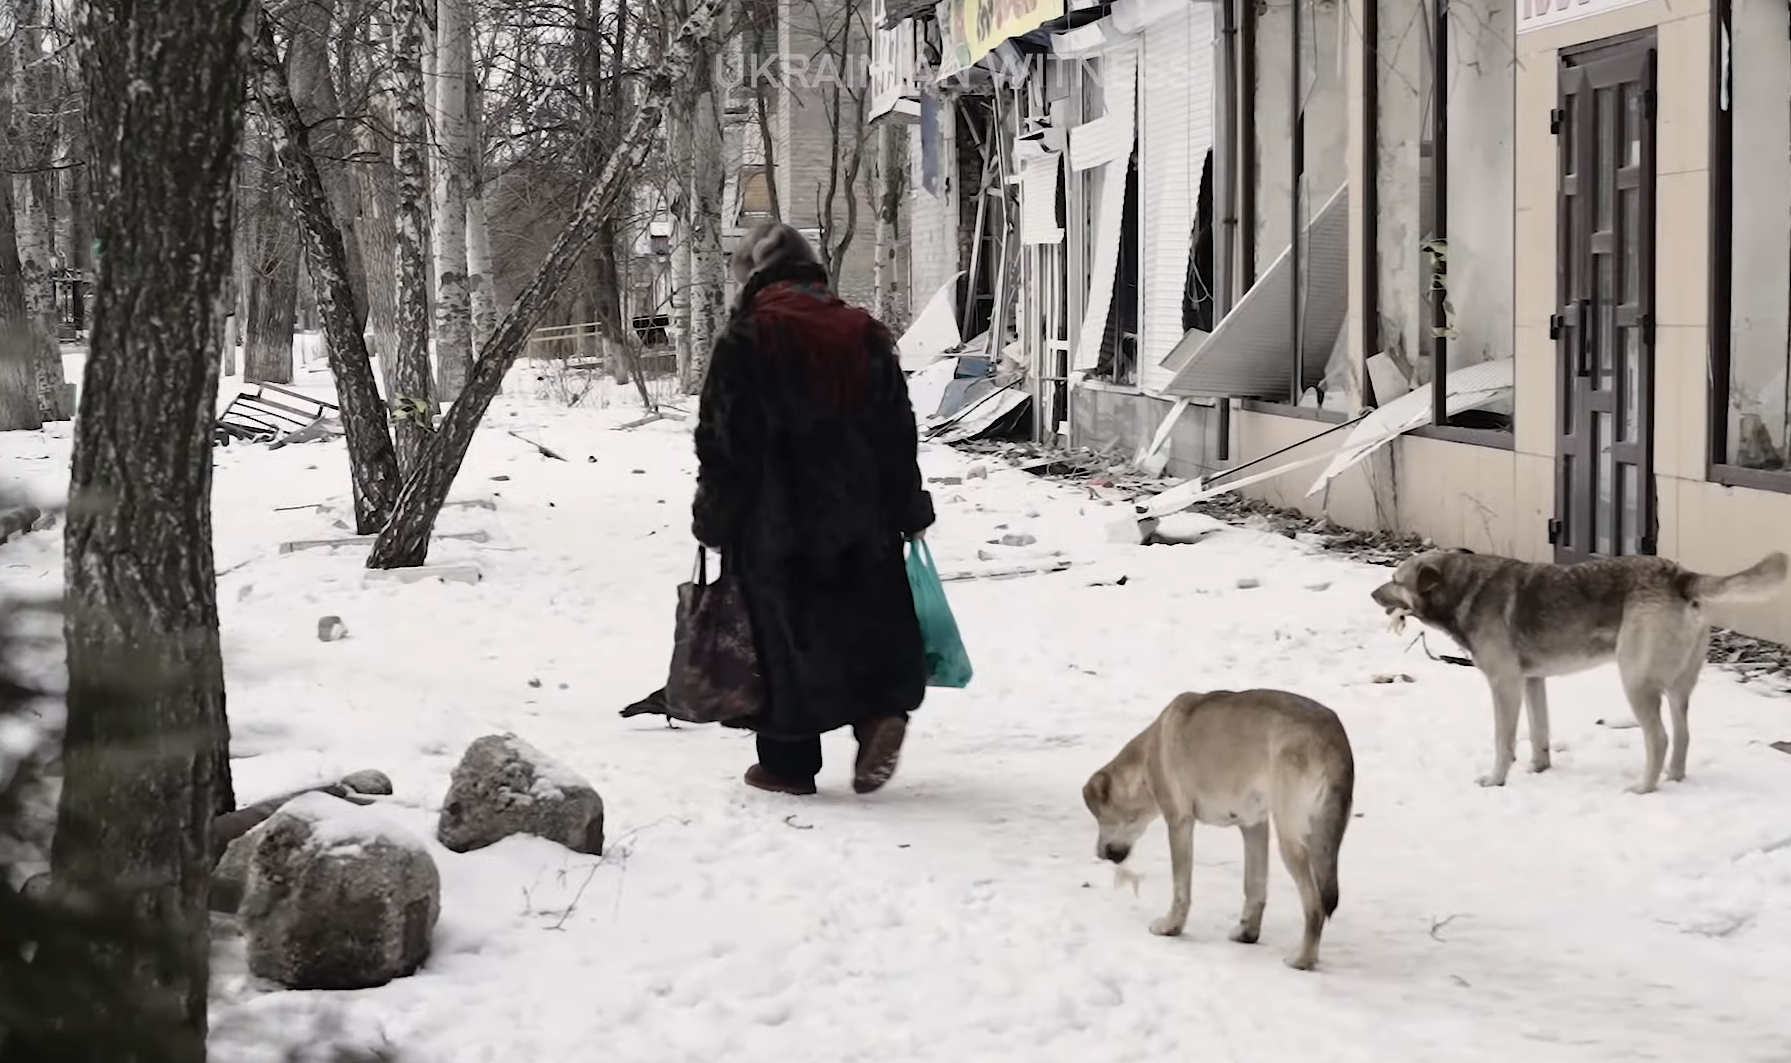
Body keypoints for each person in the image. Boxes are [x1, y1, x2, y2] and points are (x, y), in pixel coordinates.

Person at [689, 221, 934, 795]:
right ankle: (878, 714)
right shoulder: (864, 333)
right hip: (863, 517)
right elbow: (898, 432)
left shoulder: (747, 339)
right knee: (862, 622)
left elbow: (722, 442)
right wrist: (907, 506)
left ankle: (788, 764)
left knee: (780, 638)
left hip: (776, 523)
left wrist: (714, 517)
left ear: (753, 275)